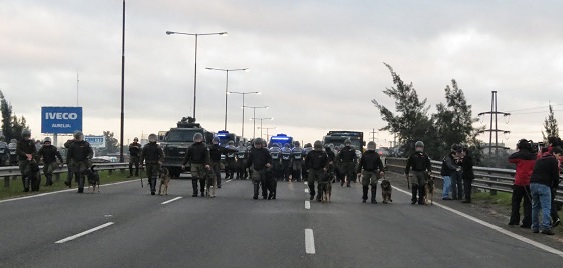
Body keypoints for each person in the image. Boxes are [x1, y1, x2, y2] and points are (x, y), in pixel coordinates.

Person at [529, 146, 562, 235]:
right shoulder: (553, 160)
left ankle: (535, 227)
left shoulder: (539, 159)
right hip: (544, 185)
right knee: (546, 207)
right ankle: (546, 227)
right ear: (554, 153)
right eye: (559, 155)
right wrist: (554, 186)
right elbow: (555, 176)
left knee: (535, 206)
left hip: (533, 183)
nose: (559, 158)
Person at [508, 139, 536, 228]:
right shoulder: (534, 156)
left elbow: (510, 159)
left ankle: (514, 220)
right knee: (528, 203)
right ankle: (528, 222)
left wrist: (518, 151)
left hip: (519, 182)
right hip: (530, 182)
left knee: (516, 202)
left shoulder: (518, 156)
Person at [182, 133, 210, 197]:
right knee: (194, 177)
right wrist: (183, 164)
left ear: (201, 139)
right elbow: (187, 156)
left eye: (198, 138)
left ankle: (202, 191)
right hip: (194, 163)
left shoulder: (204, 147)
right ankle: (195, 192)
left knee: (202, 178)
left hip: (202, 164)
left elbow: (207, 156)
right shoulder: (191, 147)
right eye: (196, 138)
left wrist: (207, 164)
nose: (197, 140)